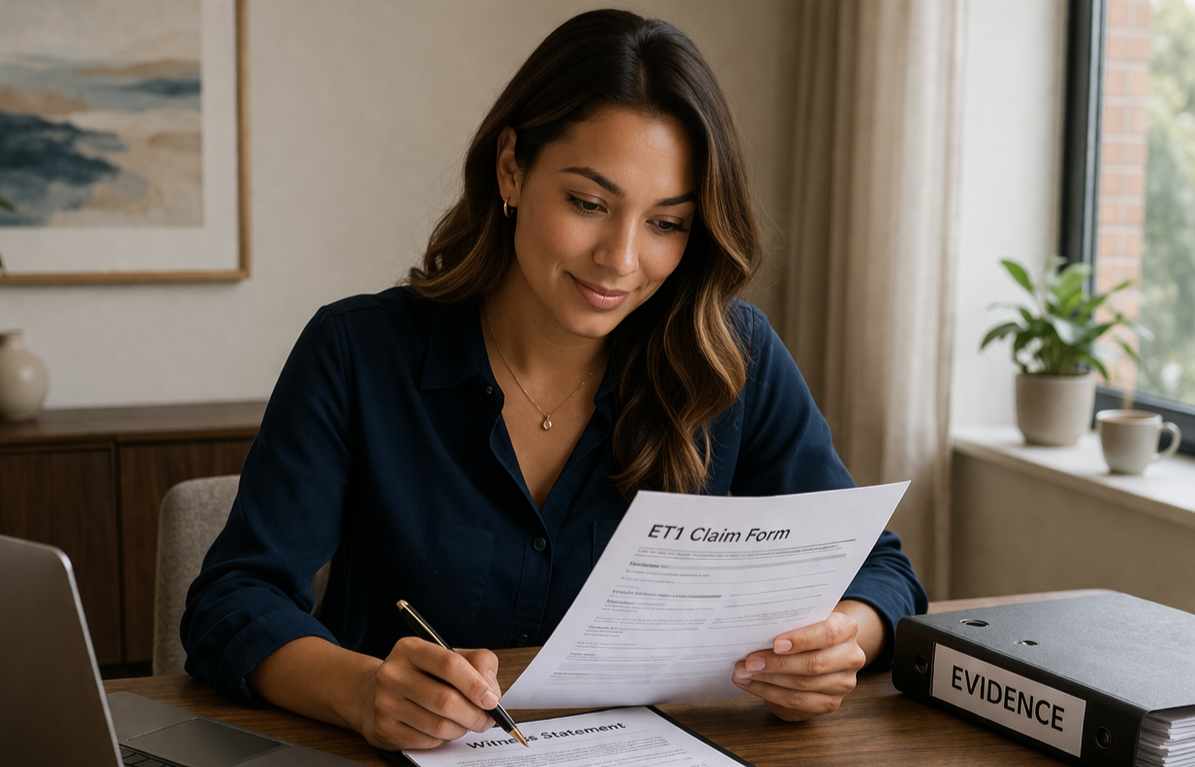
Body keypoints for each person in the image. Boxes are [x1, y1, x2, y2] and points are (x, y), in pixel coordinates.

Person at [181, 8, 927, 752]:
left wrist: (841, 640)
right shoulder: (355, 352)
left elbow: (878, 568)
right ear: (511, 167)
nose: (620, 258)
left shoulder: (732, 358)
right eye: (588, 204)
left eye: (665, 222)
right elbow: (232, 599)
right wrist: (362, 690)